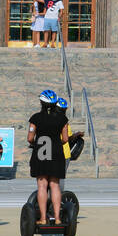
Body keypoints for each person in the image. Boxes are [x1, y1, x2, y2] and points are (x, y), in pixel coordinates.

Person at [27, 90, 67, 225]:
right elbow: (65, 139)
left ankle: (43, 218)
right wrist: (55, 142)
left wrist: (35, 143)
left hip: (41, 153)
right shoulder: (62, 119)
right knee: (55, 185)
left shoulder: (35, 118)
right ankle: (57, 218)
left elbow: (30, 138)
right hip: (56, 152)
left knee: (42, 185)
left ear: (41, 103)